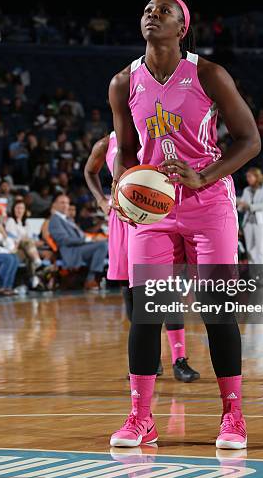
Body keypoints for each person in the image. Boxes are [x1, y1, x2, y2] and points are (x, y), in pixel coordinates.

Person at [108, 0, 260, 448]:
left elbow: (249, 140)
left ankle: (232, 416)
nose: (152, 15)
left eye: (163, 11)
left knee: (217, 311)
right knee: (147, 314)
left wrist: (205, 175)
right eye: (147, 10)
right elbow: (127, 153)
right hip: (153, 211)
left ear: (182, 28)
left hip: (208, 202)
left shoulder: (209, 75)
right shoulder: (122, 82)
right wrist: (120, 188)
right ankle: (140, 418)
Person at [84, 131, 200, 383]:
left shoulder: (157, 133)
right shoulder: (106, 143)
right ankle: (150, 359)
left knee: (167, 289)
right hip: (123, 220)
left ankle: (179, 359)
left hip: (156, 218)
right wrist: (102, 201)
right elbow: (89, 172)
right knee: (130, 289)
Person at [49, 193, 108, 291]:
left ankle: (117, 276)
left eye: (67, 203)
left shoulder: (67, 219)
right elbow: (64, 240)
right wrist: (89, 239)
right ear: (54, 205)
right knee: (102, 246)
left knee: (107, 243)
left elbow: (81, 235)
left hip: (79, 248)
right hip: (71, 251)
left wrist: (93, 239)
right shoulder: (55, 220)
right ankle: (91, 279)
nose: (65, 205)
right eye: (62, 202)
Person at [237, 168, 263, 280]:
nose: (248, 179)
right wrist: (239, 204)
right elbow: (241, 207)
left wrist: (247, 205)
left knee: (261, 250)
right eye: (247, 177)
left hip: (262, 222)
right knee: (250, 250)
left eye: (250, 176)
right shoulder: (247, 189)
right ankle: (254, 276)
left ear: (257, 177)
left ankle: (262, 276)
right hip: (248, 222)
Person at [6, 199, 43, 287]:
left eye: (22, 208)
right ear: (13, 209)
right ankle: (37, 263)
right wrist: (25, 238)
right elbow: (14, 239)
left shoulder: (26, 223)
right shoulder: (10, 221)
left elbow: (31, 238)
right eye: (17, 208)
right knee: (26, 242)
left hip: (26, 250)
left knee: (28, 254)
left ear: (25, 210)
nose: (19, 210)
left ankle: (34, 278)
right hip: (15, 249)